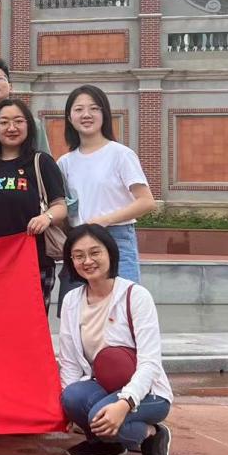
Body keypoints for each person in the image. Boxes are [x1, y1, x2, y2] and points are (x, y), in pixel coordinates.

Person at [57, 224, 173, 455]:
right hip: (103, 385)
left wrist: (125, 403)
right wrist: (70, 413)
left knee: (99, 415)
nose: (87, 261)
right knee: (71, 397)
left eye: (95, 252)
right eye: (78, 256)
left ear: (110, 253)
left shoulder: (136, 296)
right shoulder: (71, 301)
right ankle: (105, 443)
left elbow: (150, 362)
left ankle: (151, 434)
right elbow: (69, 361)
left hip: (148, 393)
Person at [0, 98, 68, 300]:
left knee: (30, 320)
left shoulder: (41, 162)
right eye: (4, 122)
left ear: (29, 126)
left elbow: (60, 206)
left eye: (18, 121)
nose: (11, 128)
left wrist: (46, 217)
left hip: (34, 262)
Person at [55, 85, 155, 301]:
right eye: (79, 109)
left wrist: (104, 220)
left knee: (122, 304)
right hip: (80, 242)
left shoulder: (121, 154)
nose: (86, 114)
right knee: (81, 307)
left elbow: (146, 201)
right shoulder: (64, 162)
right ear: (69, 117)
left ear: (105, 114)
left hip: (116, 238)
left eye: (94, 108)